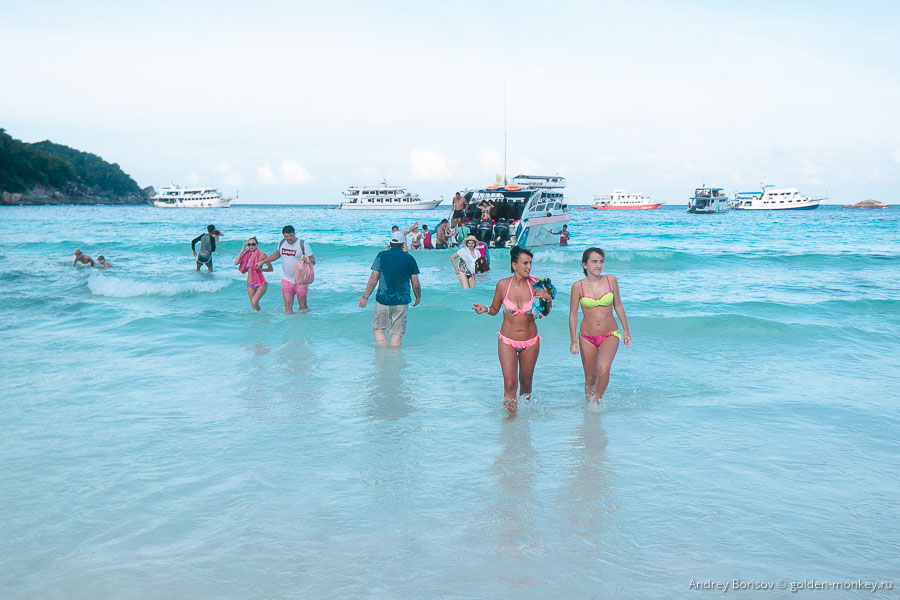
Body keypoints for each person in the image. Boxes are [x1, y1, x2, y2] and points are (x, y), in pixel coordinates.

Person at [473, 246, 553, 413]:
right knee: (510, 384)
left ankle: (524, 419)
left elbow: (545, 313)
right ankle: (510, 420)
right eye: (525, 263)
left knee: (526, 383)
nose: (529, 267)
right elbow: (494, 309)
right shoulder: (503, 285)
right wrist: (484, 309)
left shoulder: (537, 285)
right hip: (507, 340)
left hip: (530, 342)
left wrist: (547, 299)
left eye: (530, 263)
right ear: (514, 265)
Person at [568, 247, 631, 411]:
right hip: (586, 337)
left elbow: (618, 305)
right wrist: (573, 340)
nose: (599, 265)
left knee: (604, 367)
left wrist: (626, 331)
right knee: (590, 378)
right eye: (594, 262)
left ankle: (597, 401)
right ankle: (590, 416)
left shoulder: (611, 280)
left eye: (601, 261)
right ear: (585, 265)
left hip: (610, 334)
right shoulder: (578, 286)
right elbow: (573, 314)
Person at [358, 231, 421, 347]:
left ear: (390, 243)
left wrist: (365, 297)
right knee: (397, 333)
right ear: (403, 244)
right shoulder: (410, 259)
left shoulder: (382, 255)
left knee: (379, 329)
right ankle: (395, 357)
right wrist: (418, 297)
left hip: (383, 299)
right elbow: (415, 282)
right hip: (402, 301)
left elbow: (373, 278)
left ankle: (383, 355)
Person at [263, 225, 316, 313]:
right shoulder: (282, 242)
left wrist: (307, 259)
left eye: (291, 236)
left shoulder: (302, 244)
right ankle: (289, 322)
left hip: (301, 280)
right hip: (286, 279)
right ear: (283, 236)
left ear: (294, 234)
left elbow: (313, 261)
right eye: (286, 236)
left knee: (303, 307)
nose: (289, 238)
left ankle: (306, 321)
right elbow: (276, 254)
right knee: (287, 306)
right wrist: (263, 262)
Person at [234, 236, 273, 311]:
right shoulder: (246, 255)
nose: (251, 246)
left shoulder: (262, 255)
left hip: (261, 283)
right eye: (249, 244)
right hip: (250, 284)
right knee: (253, 306)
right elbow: (236, 263)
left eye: (253, 244)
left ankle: (262, 315)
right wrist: (242, 250)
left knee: (254, 302)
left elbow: (270, 268)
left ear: (257, 245)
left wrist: (261, 269)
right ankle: (259, 317)